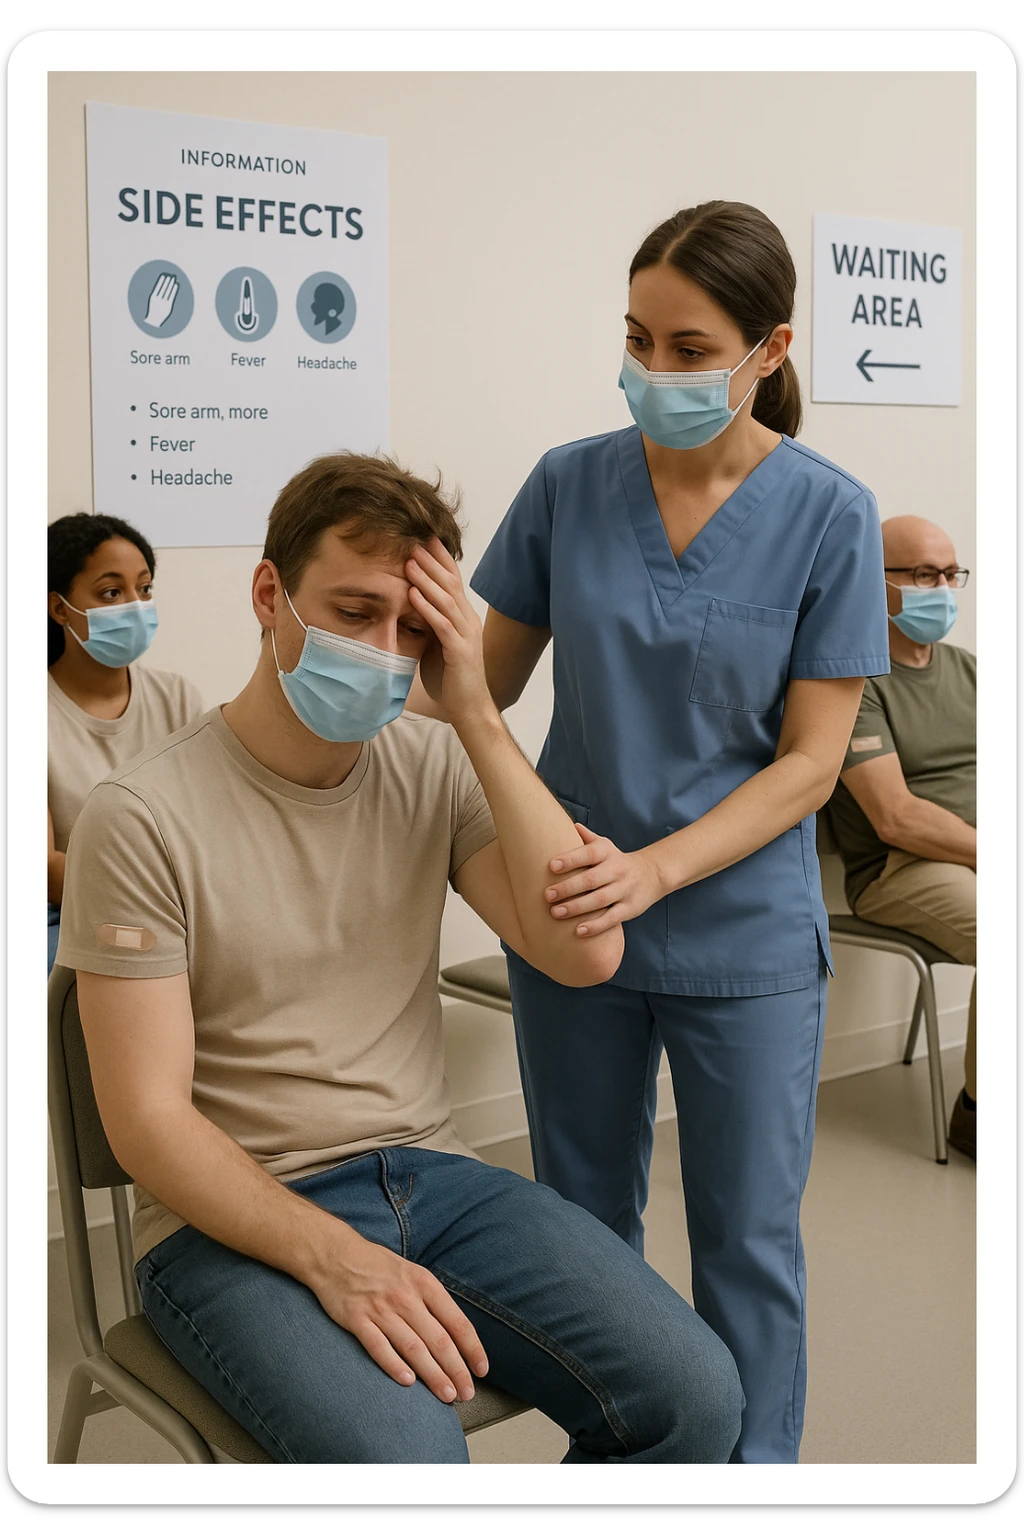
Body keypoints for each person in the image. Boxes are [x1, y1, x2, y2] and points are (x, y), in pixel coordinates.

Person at [55, 454, 743, 1466]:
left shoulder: (434, 764)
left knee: (696, 1400)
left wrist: (475, 712)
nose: (384, 652)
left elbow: (586, 953)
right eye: (354, 611)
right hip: (227, 1224)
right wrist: (337, 1259)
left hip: (432, 1178)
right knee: (409, 1460)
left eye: (415, 628)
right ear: (268, 594)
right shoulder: (141, 816)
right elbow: (148, 1124)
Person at [423, 200, 891, 1464]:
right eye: (636, 340)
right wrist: (363, 626)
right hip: (569, 918)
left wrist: (655, 869)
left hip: (737, 934)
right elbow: (477, 690)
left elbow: (808, 766)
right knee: (578, 1226)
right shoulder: (570, 484)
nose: (652, 371)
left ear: (768, 352)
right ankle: (624, 1455)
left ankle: (751, 1473)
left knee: (746, 1238)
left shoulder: (830, 515)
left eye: (689, 349)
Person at [827, 515, 976, 1159]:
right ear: (874, 580)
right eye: (921, 573)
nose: (939, 587)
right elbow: (895, 817)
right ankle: (978, 1115)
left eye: (949, 574)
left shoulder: (972, 673)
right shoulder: (854, 681)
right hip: (900, 871)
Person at [47, 513, 202, 975]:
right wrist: (150, 888)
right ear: (59, 608)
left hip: (177, 910)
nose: (135, 605)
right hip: (69, 916)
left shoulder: (177, 698)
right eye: (112, 593)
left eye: (145, 588)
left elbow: (206, 833)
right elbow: (41, 868)